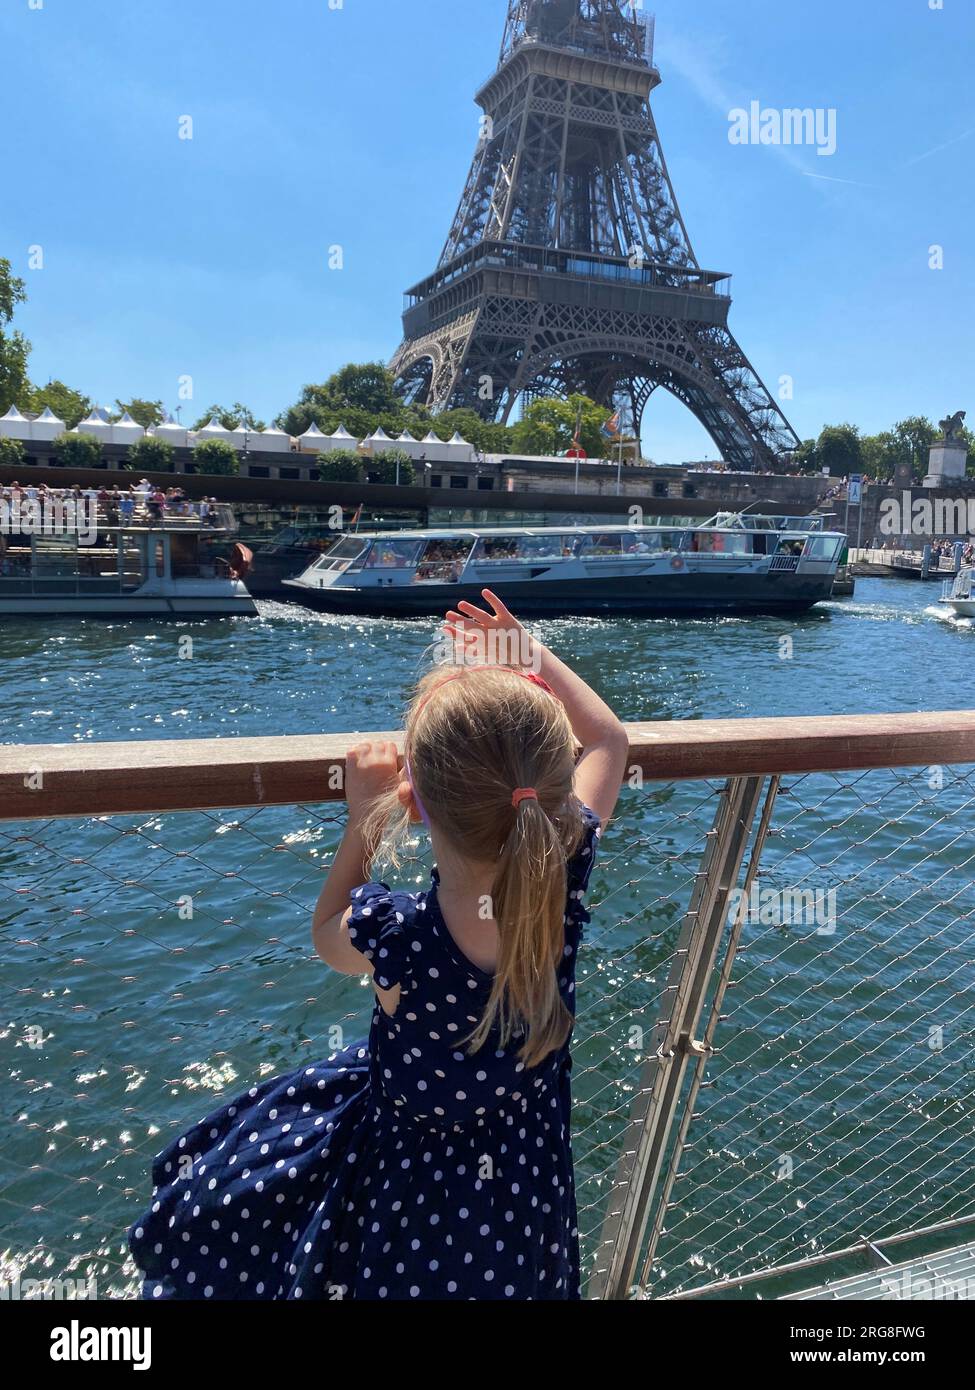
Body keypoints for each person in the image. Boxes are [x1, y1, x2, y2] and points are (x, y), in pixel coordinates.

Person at [128, 589, 628, 1301]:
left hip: (407, 1194)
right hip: (522, 1177)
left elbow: (327, 938)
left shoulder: (396, 931)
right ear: (546, 797)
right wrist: (527, 653)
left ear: (413, 800)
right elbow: (608, 740)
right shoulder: (563, 876)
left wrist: (360, 822)